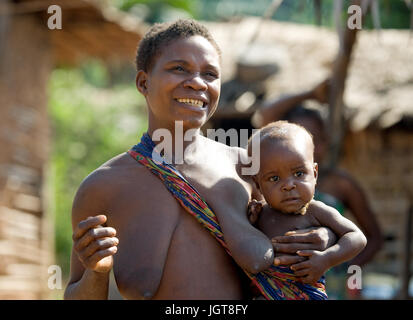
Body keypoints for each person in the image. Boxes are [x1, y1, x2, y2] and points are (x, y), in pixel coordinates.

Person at [64, 19, 337, 300]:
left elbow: (303, 229)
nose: (196, 83)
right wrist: (96, 272)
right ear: (144, 82)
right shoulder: (103, 187)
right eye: (179, 69)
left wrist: (323, 238)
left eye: (209, 74)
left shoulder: (248, 168)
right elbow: (76, 293)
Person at [251, 81, 383, 299]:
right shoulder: (267, 193)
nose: (290, 184)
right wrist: (310, 93)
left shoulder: (341, 184)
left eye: (314, 139)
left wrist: (343, 267)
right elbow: (263, 116)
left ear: (324, 142)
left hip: (332, 284)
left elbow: (369, 238)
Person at [243, 121, 366, 299]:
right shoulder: (260, 213)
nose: (289, 185)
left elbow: (357, 237)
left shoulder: (315, 211)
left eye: (299, 174)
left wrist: (327, 259)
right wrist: (251, 220)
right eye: (274, 178)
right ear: (258, 183)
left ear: (314, 174)